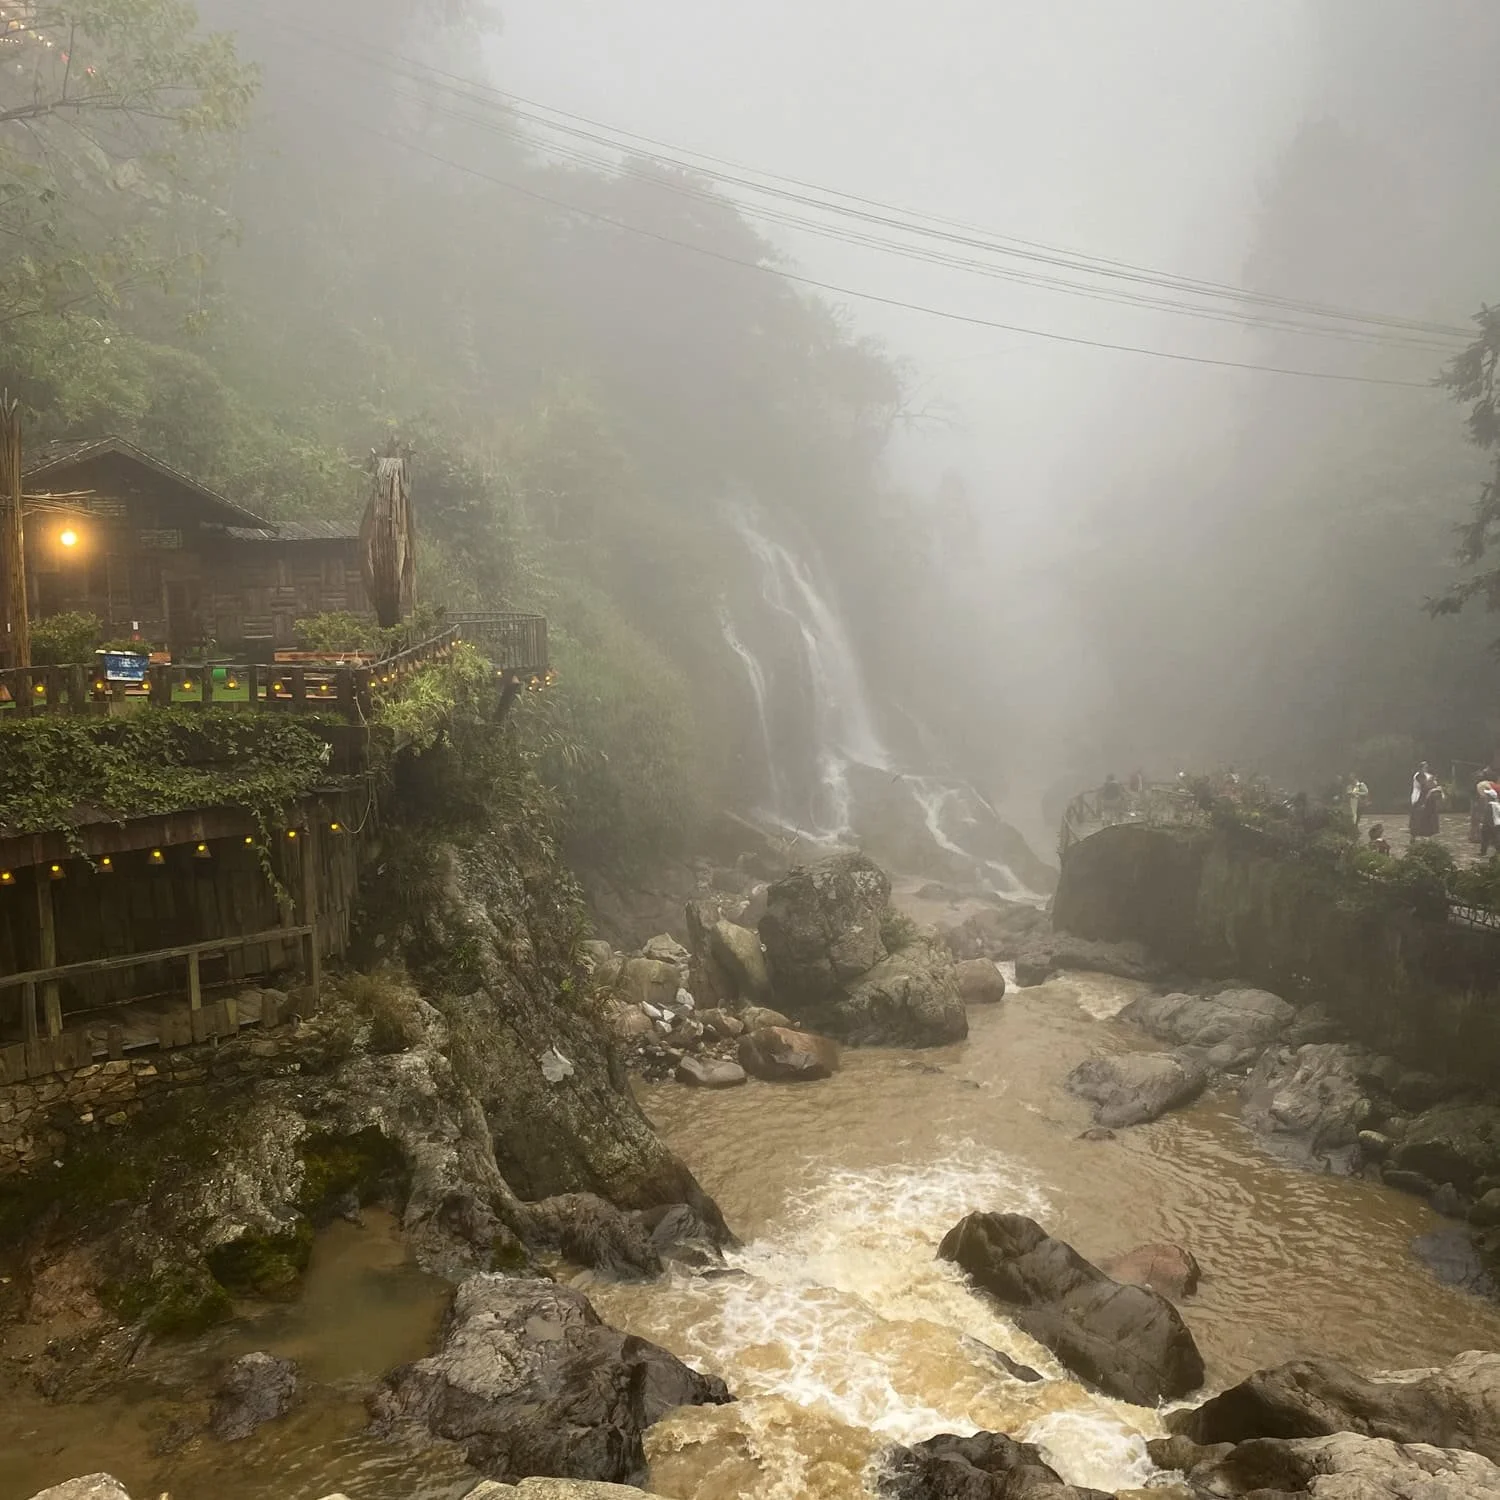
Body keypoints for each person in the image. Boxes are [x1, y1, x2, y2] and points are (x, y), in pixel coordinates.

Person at [1410, 762, 1442, 839]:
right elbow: (1424, 785)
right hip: (1421, 796)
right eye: (1425, 767)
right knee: (1419, 814)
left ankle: (1429, 831)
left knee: (1430, 814)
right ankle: (1417, 832)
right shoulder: (1419, 775)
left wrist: (1435, 787)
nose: (1426, 768)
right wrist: (1431, 784)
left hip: (1429, 796)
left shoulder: (1428, 775)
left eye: (1427, 767)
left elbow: (1434, 784)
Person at [1482, 787, 1500, 858]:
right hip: (1497, 823)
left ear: (1490, 797)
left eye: (1487, 795)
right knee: (1496, 838)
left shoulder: (1490, 805)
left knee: (1485, 838)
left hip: (1490, 824)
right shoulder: (1497, 804)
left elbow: (1488, 815)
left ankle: (1483, 852)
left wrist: (1485, 823)